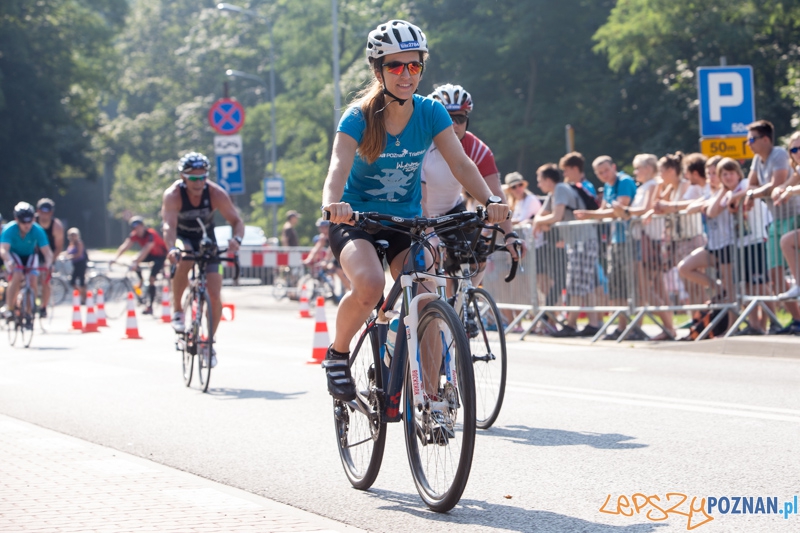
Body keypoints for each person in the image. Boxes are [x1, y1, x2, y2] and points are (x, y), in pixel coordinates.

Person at [320, 19, 509, 401]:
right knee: (371, 287)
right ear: (378, 70)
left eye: (414, 65)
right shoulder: (358, 116)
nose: (406, 74)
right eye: (395, 65)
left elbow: (461, 164)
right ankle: (337, 355)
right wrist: (332, 205)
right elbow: (338, 165)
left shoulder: (431, 113)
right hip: (357, 220)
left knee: (426, 295)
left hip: (407, 222)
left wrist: (489, 201)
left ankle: (434, 400)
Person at [420, 83, 521, 284]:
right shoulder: (421, 146)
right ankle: (440, 310)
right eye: (447, 119)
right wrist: (430, 234)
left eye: (460, 118)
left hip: (452, 210)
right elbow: (420, 196)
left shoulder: (477, 149)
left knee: (478, 256)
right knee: (431, 270)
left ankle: (465, 306)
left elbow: (496, 195)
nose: (454, 125)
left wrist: (510, 235)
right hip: (420, 212)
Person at [162, 152, 244, 368]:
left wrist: (236, 239)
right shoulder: (173, 195)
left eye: (203, 177)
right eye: (193, 178)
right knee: (185, 256)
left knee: (215, 296)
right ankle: (178, 310)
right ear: (183, 177)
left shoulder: (215, 193)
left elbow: (237, 221)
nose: (199, 183)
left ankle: (208, 342)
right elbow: (168, 226)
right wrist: (171, 248)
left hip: (208, 241)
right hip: (182, 239)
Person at [533, 163, 601, 337]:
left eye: (540, 181)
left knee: (576, 284)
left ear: (548, 180)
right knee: (586, 284)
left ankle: (571, 325)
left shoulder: (561, 188)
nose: (539, 185)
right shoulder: (554, 192)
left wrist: (539, 223)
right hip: (578, 240)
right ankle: (594, 323)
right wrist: (540, 222)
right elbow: (542, 215)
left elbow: (555, 216)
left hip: (582, 240)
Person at [575, 156, 638, 339]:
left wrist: (589, 214)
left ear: (614, 167)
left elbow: (620, 209)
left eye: (606, 170)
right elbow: (604, 212)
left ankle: (632, 327)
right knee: (617, 285)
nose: (604, 175)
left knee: (631, 285)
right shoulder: (609, 186)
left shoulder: (624, 181)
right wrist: (594, 214)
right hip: (616, 239)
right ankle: (621, 327)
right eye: (599, 173)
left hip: (630, 238)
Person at [0, 203, 53, 323]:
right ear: (17, 220)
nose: (27, 225)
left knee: (33, 279)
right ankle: (10, 308)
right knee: (17, 276)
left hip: (30, 255)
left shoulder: (37, 230)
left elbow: (47, 252)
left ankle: (29, 312)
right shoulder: (9, 229)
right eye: (23, 222)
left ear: (33, 219)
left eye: (29, 222)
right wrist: (9, 260)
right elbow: (3, 249)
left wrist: (48, 264)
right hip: (14, 256)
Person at [111, 216, 169, 314]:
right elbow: (126, 245)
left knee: (151, 279)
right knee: (133, 260)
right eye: (134, 228)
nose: (137, 230)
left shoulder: (151, 234)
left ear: (143, 226)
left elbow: (146, 249)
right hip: (150, 254)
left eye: (138, 227)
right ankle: (141, 281)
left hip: (160, 255)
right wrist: (115, 258)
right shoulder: (134, 235)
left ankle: (150, 306)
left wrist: (136, 262)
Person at [774, 131, 800, 333]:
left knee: (787, 241)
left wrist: (791, 191)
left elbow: (793, 187)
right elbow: (786, 184)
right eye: (793, 149)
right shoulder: (797, 170)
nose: (797, 153)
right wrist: (780, 190)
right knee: (787, 241)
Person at [34, 198, 64, 318]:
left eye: (47, 212)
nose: (44, 215)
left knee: (45, 280)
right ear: (38, 211)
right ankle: (29, 301)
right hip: (33, 253)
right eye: (42, 212)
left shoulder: (56, 226)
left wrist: (50, 262)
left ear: (51, 213)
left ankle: (43, 307)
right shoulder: (31, 221)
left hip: (48, 254)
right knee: (30, 278)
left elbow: (58, 247)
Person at [64, 227, 88, 301]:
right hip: (75, 265)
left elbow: (79, 254)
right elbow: (67, 252)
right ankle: (83, 295)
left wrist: (71, 257)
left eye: (74, 235)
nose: (73, 236)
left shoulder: (79, 243)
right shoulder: (71, 243)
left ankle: (84, 297)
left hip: (81, 264)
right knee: (72, 282)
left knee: (81, 281)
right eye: (71, 235)